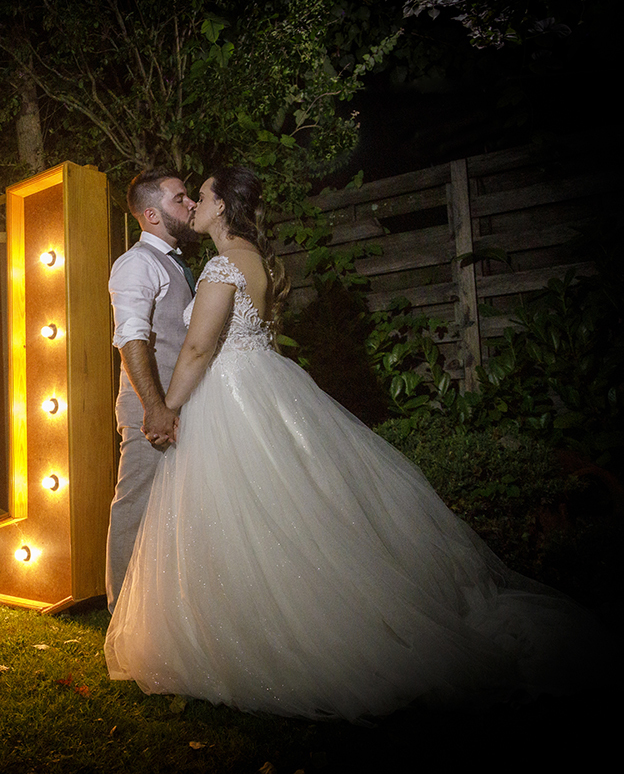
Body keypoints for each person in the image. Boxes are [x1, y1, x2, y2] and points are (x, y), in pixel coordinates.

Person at [104, 166, 608, 721]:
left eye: (199, 195)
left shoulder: (222, 265)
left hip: (227, 398)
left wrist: (169, 408)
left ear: (221, 207)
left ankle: (251, 628)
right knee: (280, 513)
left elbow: (199, 351)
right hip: (263, 390)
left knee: (247, 516)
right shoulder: (252, 261)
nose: (194, 201)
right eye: (185, 196)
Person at [105, 169, 199, 612]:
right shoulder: (137, 263)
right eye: (180, 199)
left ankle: (163, 610)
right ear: (152, 214)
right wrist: (155, 407)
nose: (191, 204)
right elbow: (131, 337)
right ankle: (122, 614)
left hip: (179, 405)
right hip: (151, 407)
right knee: (137, 506)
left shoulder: (176, 263)